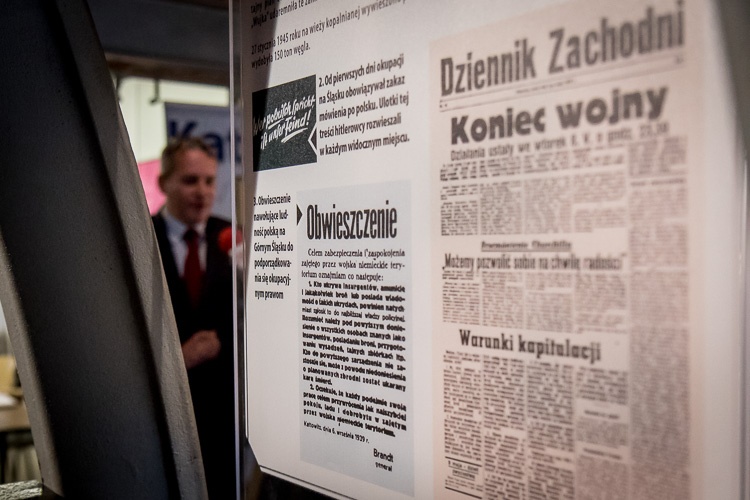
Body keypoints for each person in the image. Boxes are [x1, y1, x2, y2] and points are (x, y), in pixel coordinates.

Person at [152, 136, 235, 499]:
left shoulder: (232, 236)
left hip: (223, 412)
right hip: (165, 412)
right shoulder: (140, 240)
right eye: (190, 180)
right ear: (163, 183)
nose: (202, 192)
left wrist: (223, 341)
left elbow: (254, 318)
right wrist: (176, 360)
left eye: (209, 181)